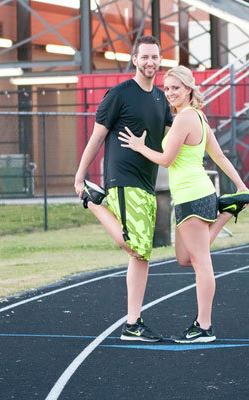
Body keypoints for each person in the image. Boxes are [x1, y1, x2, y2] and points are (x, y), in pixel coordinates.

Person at [118, 65, 249, 343]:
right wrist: (240, 186)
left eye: (175, 88)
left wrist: (139, 146)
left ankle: (204, 326)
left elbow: (167, 160)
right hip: (191, 197)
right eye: (166, 88)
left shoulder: (186, 120)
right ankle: (227, 211)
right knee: (184, 258)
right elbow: (219, 155)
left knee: (201, 263)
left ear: (189, 88)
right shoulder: (197, 118)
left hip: (194, 196)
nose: (170, 93)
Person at [74, 35, 173, 342]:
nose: (150, 62)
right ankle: (93, 202)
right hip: (123, 178)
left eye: (154, 57)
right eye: (144, 57)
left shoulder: (160, 99)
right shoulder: (119, 94)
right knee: (136, 246)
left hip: (147, 182)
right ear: (134, 59)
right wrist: (79, 178)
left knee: (141, 255)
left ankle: (133, 323)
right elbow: (96, 137)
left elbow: (173, 138)